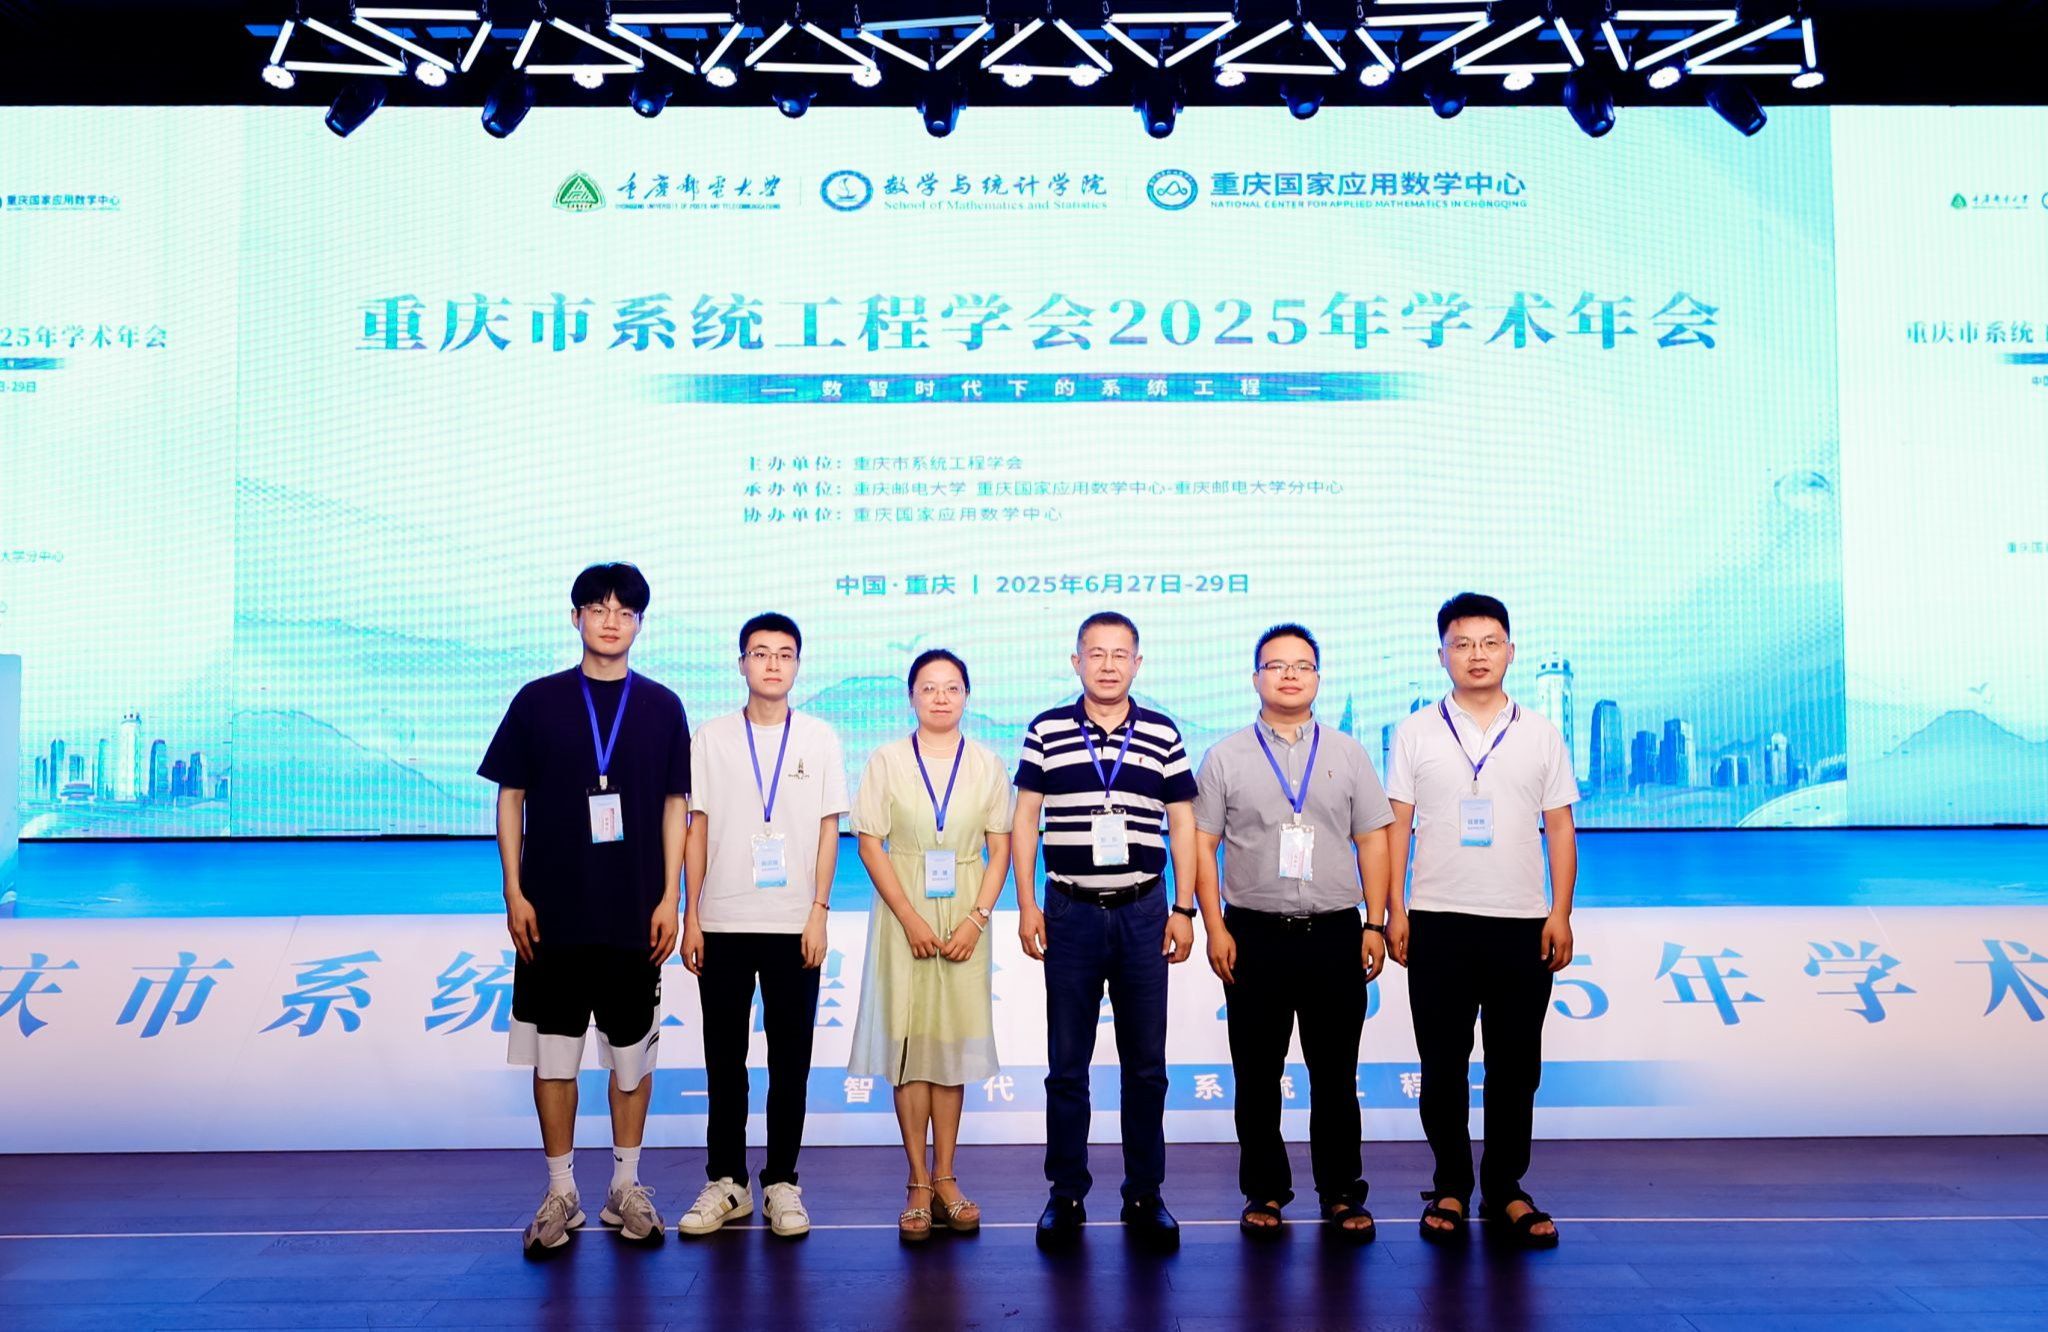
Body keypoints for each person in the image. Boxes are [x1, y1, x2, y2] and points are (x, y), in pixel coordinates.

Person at [479, 562, 691, 1254]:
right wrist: (513, 891)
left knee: (632, 1061)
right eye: (597, 608)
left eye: (625, 612)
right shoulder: (537, 701)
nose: (610, 621)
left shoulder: (662, 706)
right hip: (552, 916)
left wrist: (670, 897)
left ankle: (625, 1187)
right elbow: (510, 797)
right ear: (575, 618)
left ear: (639, 624)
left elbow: (676, 806)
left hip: (635, 916)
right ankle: (560, 1192)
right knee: (555, 1060)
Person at [1385, 592, 1579, 1250]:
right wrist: (1393, 911)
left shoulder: (1540, 732)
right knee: (1442, 1064)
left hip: (1521, 922)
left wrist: (1560, 912)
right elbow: (1398, 826)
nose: (1477, 655)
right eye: (1462, 644)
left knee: (1515, 1067)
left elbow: (1560, 828)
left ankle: (1505, 1187)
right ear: (1441, 654)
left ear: (1510, 652)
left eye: (1490, 642)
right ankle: (1449, 1185)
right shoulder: (1416, 731)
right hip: (1436, 921)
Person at [1193, 623, 1394, 1242]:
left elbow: (1373, 840)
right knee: (1257, 1074)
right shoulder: (1224, 756)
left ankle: (1341, 1190)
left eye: (1302, 665)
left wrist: (1376, 922)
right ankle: (1265, 1190)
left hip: (1335, 933)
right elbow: (1202, 845)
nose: (1289, 675)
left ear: (1317, 678)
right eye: (1275, 665)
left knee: (1335, 1073)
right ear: (1255, 677)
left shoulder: (1348, 753)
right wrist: (1214, 926)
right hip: (1253, 935)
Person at [1013, 611, 1199, 1250]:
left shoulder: (1163, 733)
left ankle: (1145, 1194)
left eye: (1121, 654)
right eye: (1096, 653)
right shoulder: (1046, 730)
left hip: (1145, 911)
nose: (1109, 665)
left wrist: (1184, 909)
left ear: (1137, 664)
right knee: (1067, 1066)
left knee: (1146, 1066)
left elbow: (1183, 823)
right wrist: (1027, 904)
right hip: (1068, 911)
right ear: (1077, 662)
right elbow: (1025, 820)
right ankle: (1065, 1194)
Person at [678, 612, 848, 1239]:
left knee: (790, 1061)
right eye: (760, 652)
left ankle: (781, 1182)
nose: (772, 663)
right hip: (722, 920)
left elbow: (829, 830)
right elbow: (696, 828)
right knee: (724, 1060)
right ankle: (727, 1182)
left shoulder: (820, 738)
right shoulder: (711, 737)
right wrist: (691, 914)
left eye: (784, 653)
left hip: (794, 924)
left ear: (798, 664)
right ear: (741, 663)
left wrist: (819, 911)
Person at [846, 649, 1015, 1241]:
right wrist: (910, 919)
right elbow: (870, 843)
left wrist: (977, 919)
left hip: (966, 910)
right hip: (903, 912)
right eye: (928, 687)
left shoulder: (988, 764)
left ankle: (946, 1176)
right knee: (910, 1044)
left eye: (951, 687)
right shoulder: (886, 760)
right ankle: (917, 1181)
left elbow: (1002, 848)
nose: (941, 697)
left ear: (966, 696)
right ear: (911, 697)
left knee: (949, 1046)